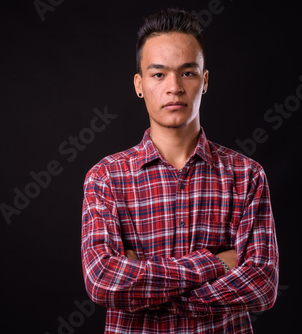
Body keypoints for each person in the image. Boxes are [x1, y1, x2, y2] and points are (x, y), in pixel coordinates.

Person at [81, 8, 279, 333]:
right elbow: (103, 282)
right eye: (158, 74)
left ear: (204, 80)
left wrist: (145, 281)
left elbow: (262, 284)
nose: (174, 87)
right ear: (139, 84)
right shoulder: (105, 178)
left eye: (187, 73)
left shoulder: (246, 175)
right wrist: (213, 263)